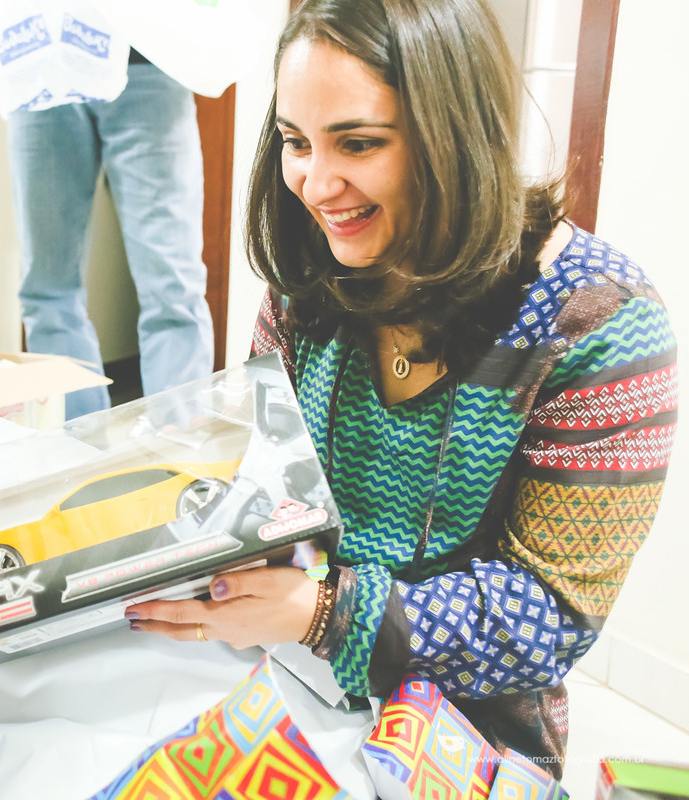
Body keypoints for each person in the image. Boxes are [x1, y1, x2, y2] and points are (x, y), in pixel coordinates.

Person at [126, 0, 676, 775]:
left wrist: (325, 613)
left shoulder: (600, 321)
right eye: (295, 142)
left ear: (455, 133)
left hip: (467, 740)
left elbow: (549, 618)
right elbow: (263, 473)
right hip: (281, 676)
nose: (317, 185)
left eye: (358, 143)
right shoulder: (309, 280)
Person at [2, 42, 215, 418]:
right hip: (41, 60)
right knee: (46, 293)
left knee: (173, 290)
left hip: (147, 57)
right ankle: (72, 441)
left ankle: (180, 445)